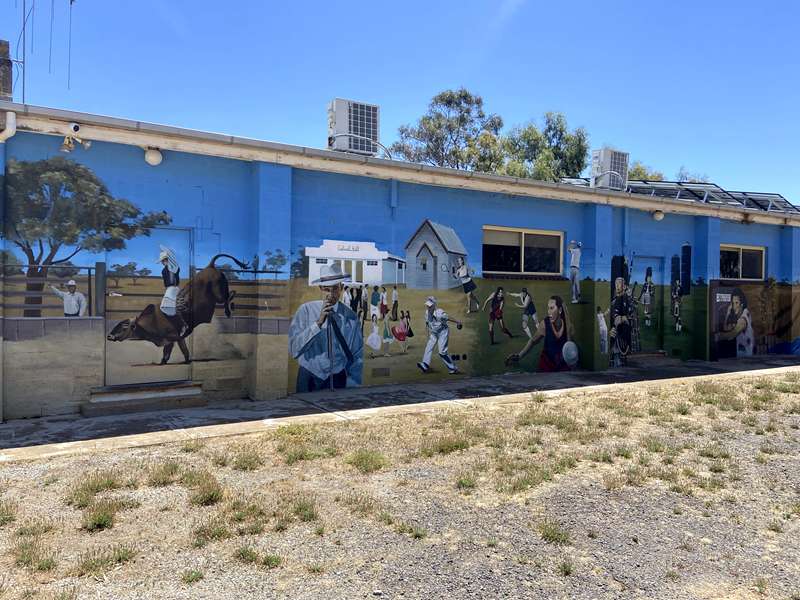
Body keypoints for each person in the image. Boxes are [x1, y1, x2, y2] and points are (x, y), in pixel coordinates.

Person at [288, 263, 364, 392]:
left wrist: (353, 384)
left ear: (341, 287)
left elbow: (357, 354)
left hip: (338, 376)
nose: (331, 294)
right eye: (326, 289)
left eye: (335, 288)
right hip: (309, 376)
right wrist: (317, 323)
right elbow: (294, 349)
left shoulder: (350, 317)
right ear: (320, 288)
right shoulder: (306, 310)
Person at [505, 296, 572, 372]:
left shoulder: (567, 326)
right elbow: (533, 341)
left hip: (561, 366)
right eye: (548, 308)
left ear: (560, 310)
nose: (549, 312)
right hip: (547, 366)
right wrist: (519, 356)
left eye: (552, 308)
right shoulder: (545, 324)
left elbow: (569, 345)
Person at [417, 296, 462, 375]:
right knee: (428, 347)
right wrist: (427, 335)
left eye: (430, 305)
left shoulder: (440, 313)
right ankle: (425, 364)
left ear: (434, 305)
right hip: (433, 333)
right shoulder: (427, 313)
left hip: (443, 332)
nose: (428, 307)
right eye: (427, 305)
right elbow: (427, 324)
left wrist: (458, 322)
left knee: (442, 352)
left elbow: (448, 318)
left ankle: (453, 368)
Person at [159, 246, 188, 336]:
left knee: (167, 306)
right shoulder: (165, 270)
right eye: (163, 261)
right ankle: (178, 325)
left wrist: (166, 251)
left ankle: (182, 325)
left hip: (172, 289)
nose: (163, 262)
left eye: (164, 260)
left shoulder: (173, 267)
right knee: (168, 307)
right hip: (170, 289)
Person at [716, 288, 754, 357]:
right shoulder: (739, 316)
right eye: (733, 303)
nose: (734, 306)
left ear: (742, 304)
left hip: (745, 357)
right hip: (740, 355)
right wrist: (727, 313)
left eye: (736, 303)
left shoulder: (743, 318)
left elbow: (731, 335)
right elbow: (726, 328)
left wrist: (717, 336)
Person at [610, 277, 632, 362]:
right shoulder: (614, 300)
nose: (617, 286)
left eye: (619, 284)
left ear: (624, 286)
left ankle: (620, 358)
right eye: (616, 284)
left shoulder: (626, 299)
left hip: (623, 329)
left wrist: (623, 318)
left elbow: (629, 314)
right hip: (614, 327)